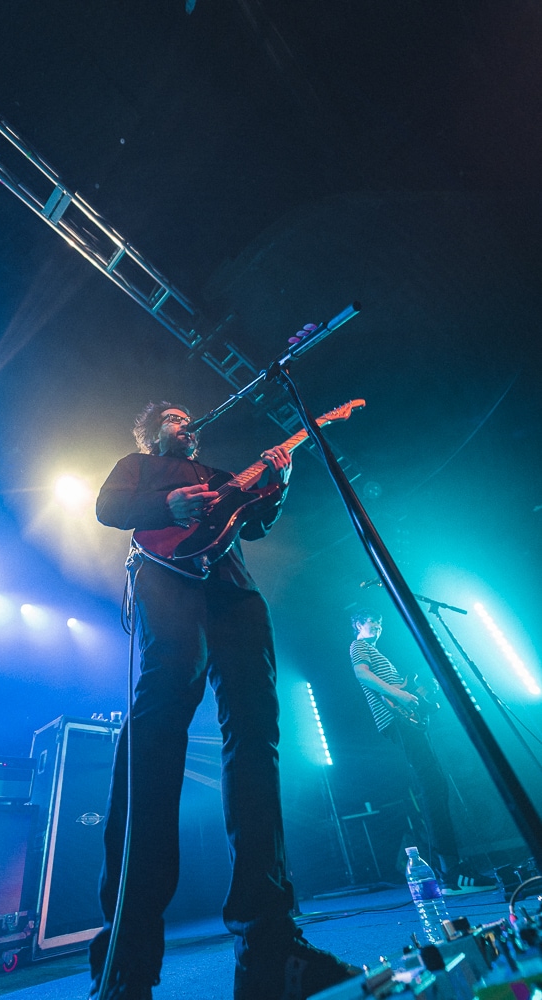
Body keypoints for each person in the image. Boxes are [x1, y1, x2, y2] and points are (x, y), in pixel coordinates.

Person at [90, 401, 361, 1000]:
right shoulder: (138, 465)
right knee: (157, 734)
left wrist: (279, 482)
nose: (187, 424)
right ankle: (127, 963)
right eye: (175, 418)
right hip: (165, 581)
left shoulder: (215, 474)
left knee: (257, 738)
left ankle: (269, 945)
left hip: (233, 592)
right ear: (152, 429)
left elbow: (255, 523)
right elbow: (108, 508)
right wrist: (167, 504)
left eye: (190, 418)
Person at [349, 608, 498, 895]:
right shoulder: (359, 646)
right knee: (433, 786)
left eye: (380, 623)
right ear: (357, 624)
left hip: (405, 720)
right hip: (396, 720)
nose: (378, 627)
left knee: (437, 785)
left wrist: (419, 696)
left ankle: (450, 867)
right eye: (372, 622)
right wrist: (401, 695)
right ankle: (451, 872)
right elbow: (361, 675)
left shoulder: (376, 652)